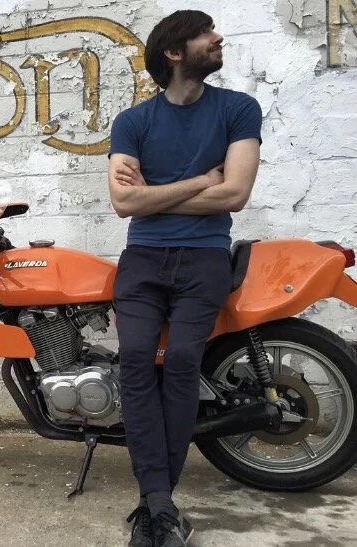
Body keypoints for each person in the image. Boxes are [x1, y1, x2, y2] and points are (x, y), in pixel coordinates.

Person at [107, 10, 263, 547]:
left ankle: (156, 504)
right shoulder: (132, 122)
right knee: (134, 361)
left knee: (180, 365)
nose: (217, 37)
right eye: (203, 33)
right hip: (143, 260)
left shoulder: (238, 109)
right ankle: (160, 504)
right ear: (174, 53)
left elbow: (235, 194)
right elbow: (124, 203)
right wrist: (200, 180)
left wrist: (155, 194)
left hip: (204, 258)